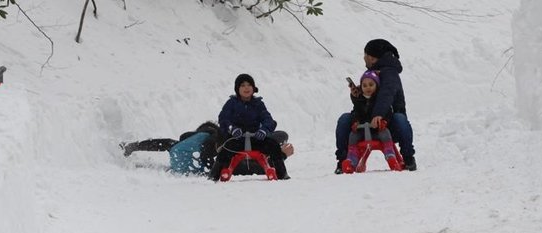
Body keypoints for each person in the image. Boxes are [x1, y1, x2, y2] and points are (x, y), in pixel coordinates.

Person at [334, 39, 416, 173]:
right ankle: (343, 161)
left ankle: (408, 158)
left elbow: (386, 94)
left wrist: (378, 115)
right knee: (344, 119)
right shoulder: (373, 74)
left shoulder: (389, 73)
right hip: (365, 124)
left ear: (372, 58)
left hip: (387, 125)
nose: (363, 57)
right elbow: (364, 104)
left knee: (400, 118)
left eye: (365, 54)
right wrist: (357, 95)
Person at [120, 121, 294, 176]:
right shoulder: (217, 156)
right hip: (206, 159)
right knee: (279, 135)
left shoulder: (186, 145)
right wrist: (281, 156)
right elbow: (252, 169)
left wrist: (134, 146)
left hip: (183, 161)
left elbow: (164, 143)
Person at [209, 73, 291, 180]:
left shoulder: (258, 104)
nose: (246, 88)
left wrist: (264, 130)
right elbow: (223, 119)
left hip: (256, 138)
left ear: (253, 88)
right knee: (225, 150)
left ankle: (282, 174)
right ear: (237, 89)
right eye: (242, 85)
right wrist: (232, 128)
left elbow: (268, 120)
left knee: (273, 146)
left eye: (249, 85)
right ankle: (213, 176)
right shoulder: (231, 103)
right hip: (237, 138)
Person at [339, 70, 402, 173]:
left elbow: (388, 111)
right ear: (361, 87)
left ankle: (391, 157)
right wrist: (355, 122)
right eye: (364, 85)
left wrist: (383, 121)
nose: (368, 88)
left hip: (377, 130)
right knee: (352, 136)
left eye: (371, 85)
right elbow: (355, 113)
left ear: (376, 86)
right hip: (363, 131)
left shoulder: (380, 99)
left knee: (385, 134)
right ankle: (351, 161)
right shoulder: (359, 100)